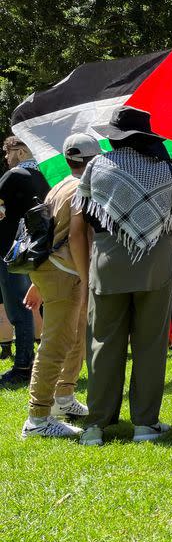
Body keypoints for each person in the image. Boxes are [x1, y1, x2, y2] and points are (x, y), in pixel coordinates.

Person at [74, 107, 172, 446]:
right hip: (155, 261)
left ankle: (95, 425)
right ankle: (144, 424)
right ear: (147, 136)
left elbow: (87, 216)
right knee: (150, 345)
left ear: (115, 135)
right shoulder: (165, 169)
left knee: (102, 344)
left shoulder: (98, 165)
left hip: (108, 261)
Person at [19, 134, 99, 438]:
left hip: (55, 271)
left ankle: (63, 398)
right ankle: (38, 419)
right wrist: (87, 275)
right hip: (66, 272)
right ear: (94, 160)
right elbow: (77, 237)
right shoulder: (81, 188)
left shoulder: (60, 185)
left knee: (74, 336)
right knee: (56, 343)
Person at [0, 136, 49, 386]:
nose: (6, 159)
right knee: (30, 308)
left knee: (18, 311)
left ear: (20, 152)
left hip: (10, 252)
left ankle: (22, 367)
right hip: (36, 252)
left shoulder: (13, 176)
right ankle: (28, 363)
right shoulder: (46, 176)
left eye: (7, 154)